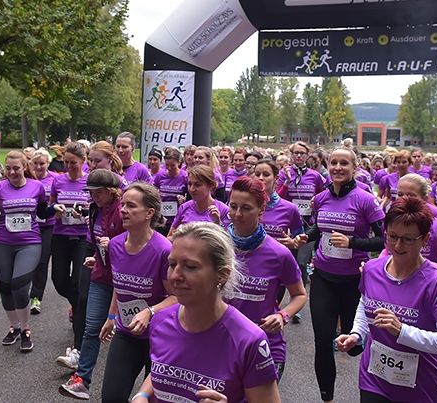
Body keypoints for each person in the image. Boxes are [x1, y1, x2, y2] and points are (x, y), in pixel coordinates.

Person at [129, 222, 282, 403]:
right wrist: (142, 394)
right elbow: (164, 367)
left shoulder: (249, 340)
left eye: (191, 267)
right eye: (172, 264)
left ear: (222, 275)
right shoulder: (160, 321)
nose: (175, 276)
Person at [337, 197, 437, 402]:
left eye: (408, 239)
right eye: (392, 236)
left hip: (421, 386)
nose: (398, 245)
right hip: (374, 379)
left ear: (424, 240)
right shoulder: (371, 269)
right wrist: (357, 334)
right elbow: (366, 304)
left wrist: (402, 331)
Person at [296, 147, 386, 403]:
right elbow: (319, 228)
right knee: (323, 341)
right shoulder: (322, 197)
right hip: (324, 278)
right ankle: (327, 398)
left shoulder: (365, 199)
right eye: (333, 162)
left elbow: (383, 240)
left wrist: (352, 243)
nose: (337, 167)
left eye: (344, 163)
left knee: (355, 345)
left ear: (354, 167)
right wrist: (307, 236)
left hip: (355, 283)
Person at [99, 182, 177, 402]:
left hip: (160, 336)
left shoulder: (163, 250)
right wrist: (111, 317)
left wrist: (149, 312)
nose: (123, 210)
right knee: (112, 398)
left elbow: (177, 297)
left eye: (131, 206)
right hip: (127, 334)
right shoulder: (114, 245)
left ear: (149, 213)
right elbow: (120, 286)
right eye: (123, 204)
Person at [226, 176, 307, 380]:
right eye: (233, 206)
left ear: (261, 210)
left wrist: (282, 315)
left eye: (246, 208)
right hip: (222, 342)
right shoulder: (216, 247)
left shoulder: (279, 254)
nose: (237, 214)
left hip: (264, 344)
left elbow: (299, 295)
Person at [59, 169, 125, 399]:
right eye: (91, 192)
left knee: (133, 334)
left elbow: (138, 240)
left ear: (110, 191)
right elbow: (97, 240)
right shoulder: (96, 208)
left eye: (98, 192)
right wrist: (97, 256)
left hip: (127, 280)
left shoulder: (123, 210)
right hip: (100, 274)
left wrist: (115, 244)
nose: (93, 196)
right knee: (91, 327)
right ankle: (82, 379)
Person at [0, 151, 50, 352]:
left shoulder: (36, 187)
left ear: (24, 167)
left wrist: (55, 209)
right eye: (8, 168)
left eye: (16, 168)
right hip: (3, 242)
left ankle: (26, 329)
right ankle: (15, 327)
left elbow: (42, 213)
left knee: (19, 285)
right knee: (4, 286)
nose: (11, 172)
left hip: (30, 243)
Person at [50, 142, 91, 366]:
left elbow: (94, 208)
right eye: (65, 162)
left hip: (82, 237)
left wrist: (84, 214)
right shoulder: (58, 180)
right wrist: (55, 211)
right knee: (58, 280)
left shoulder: (89, 181)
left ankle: (80, 330)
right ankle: (79, 306)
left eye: (73, 163)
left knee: (77, 283)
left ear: (83, 161)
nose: (68, 167)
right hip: (61, 234)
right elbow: (51, 205)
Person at [254, 159, 306, 311]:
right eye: (257, 174)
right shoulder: (246, 204)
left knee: (268, 312)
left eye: (266, 174)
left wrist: (293, 242)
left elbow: (299, 237)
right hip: (249, 266)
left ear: (276, 178)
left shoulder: (289, 209)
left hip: (275, 269)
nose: (261, 178)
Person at [29, 148, 58, 315]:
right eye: (36, 164)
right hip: (29, 226)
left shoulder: (55, 179)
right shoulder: (27, 179)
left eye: (42, 164)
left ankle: (36, 297)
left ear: (48, 163)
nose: (39, 167)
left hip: (48, 225)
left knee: (42, 261)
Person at [169, 165, 229, 236]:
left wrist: (218, 224)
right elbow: (170, 237)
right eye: (190, 184)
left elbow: (227, 242)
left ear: (211, 185)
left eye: (197, 185)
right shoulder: (184, 208)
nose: (192, 189)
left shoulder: (223, 210)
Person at [277, 141, 325, 221]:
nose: (299, 156)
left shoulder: (315, 175)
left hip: (309, 220)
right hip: (288, 218)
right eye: (296, 153)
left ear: (307, 156)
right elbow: (278, 198)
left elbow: (320, 197)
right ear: (291, 154)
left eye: (302, 153)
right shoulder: (283, 172)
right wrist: (287, 182)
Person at [152, 147, 187, 237]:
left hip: (177, 218)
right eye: (167, 165)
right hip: (162, 218)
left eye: (173, 165)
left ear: (179, 163)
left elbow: (190, 196)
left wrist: (183, 199)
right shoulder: (160, 175)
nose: (169, 168)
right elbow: (152, 192)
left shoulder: (184, 176)